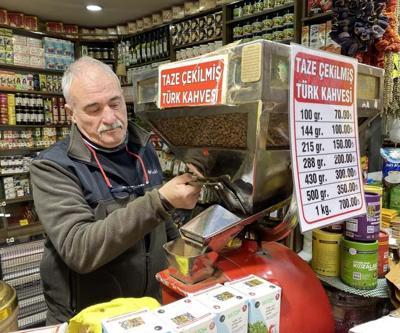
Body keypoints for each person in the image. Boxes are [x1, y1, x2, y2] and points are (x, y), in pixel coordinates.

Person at [30, 56, 201, 324]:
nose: (110, 118)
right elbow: (80, 249)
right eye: (93, 109)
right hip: (87, 319)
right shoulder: (53, 166)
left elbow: (163, 227)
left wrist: (188, 262)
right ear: (72, 113)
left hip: (148, 308)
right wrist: (161, 201)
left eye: (115, 103)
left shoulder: (143, 147)